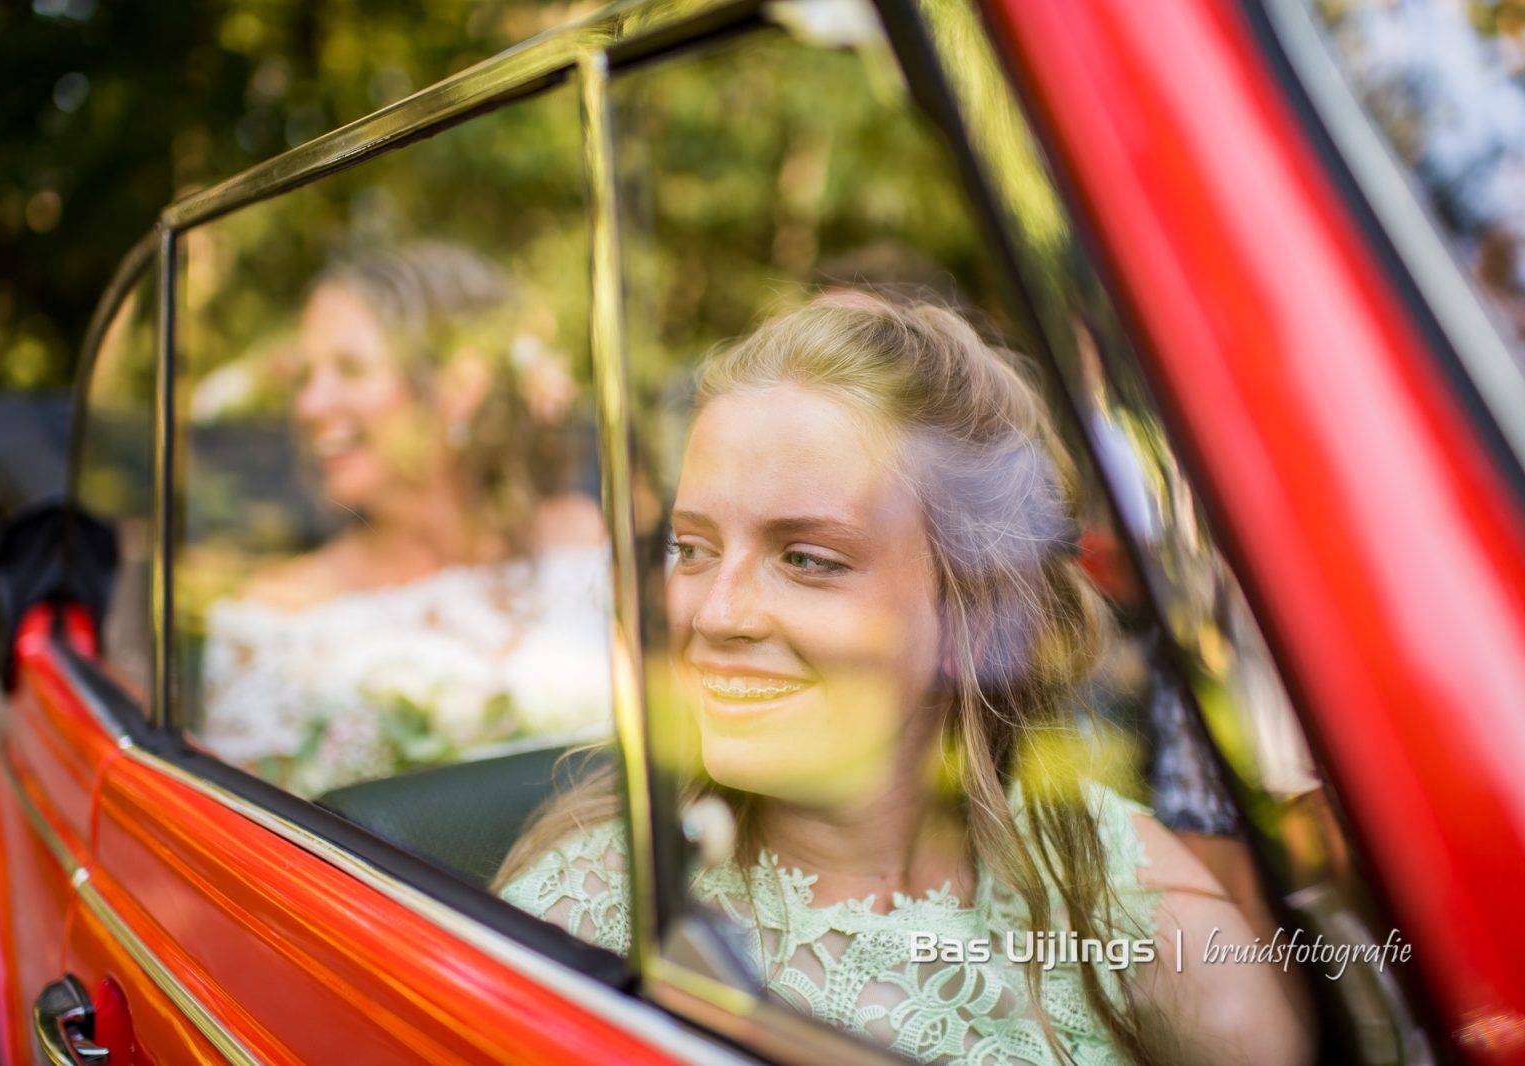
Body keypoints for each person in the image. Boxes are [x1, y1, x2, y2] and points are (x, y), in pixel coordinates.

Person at [496, 294, 1309, 1065]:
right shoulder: (586, 921)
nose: (716, 613)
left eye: (807, 559)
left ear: (977, 617)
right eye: (693, 548)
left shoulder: (1102, 869)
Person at [198, 242, 611, 797]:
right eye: (305, 376)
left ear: (458, 388)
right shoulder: (270, 622)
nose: (309, 405)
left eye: (351, 368)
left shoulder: (581, 545)